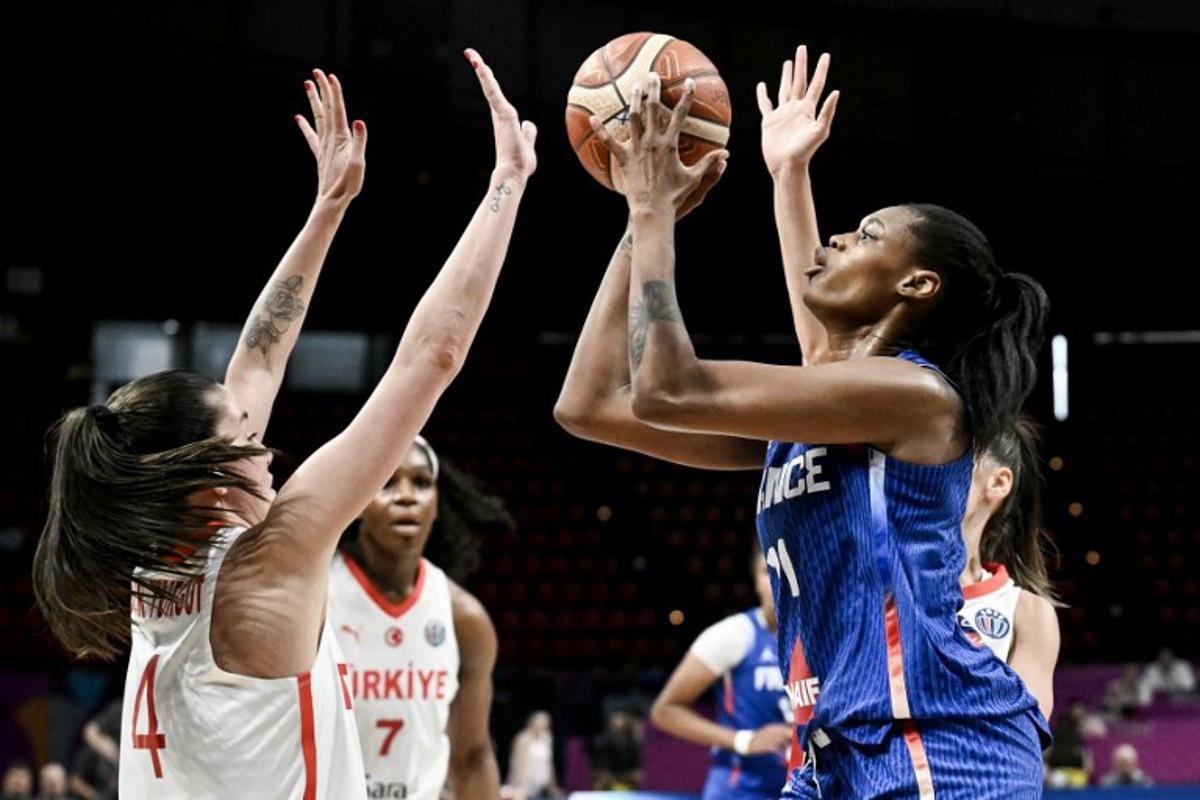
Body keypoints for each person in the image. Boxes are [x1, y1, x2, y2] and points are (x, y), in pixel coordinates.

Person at [33, 49, 535, 799]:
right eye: (242, 437)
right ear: (201, 479)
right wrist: (507, 183)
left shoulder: (152, 568)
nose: (264, 444)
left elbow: (259, 364)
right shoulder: (272, 558)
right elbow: (432, 355)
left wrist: (329, 207)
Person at [557, 44, 1049, 798]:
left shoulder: (916, 399)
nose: (841, 240)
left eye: (869, 233)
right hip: (834, 758)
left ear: (917, 284)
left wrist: (656, 209)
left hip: (938, 747)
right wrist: (675, 210)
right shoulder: (833, 413)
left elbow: (668, 390)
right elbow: (587, 406)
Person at [331, 438, 515, 799]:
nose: (406, 496)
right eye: (386, 482)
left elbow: (473, 757)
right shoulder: (316, 596)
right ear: (358, 500)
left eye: (421, 483)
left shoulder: (464, 618)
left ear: (436, 504)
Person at [650, 554, 791, 799]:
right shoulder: (734, 634)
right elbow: (664, 711)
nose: (775, 581)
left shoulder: (826, 638)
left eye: (784, 570)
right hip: (741, 786)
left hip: (807, 785)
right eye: (766, 572)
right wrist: (744, 740)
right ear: (755, 582)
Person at [957, 420, 1061, 717]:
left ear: (998, 482)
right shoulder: (883, 591)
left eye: (952, 460)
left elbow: (1019, 739)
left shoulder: (1028, 614)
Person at [507, 711, 562, 800]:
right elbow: (520, 765)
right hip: (527, 785)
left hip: (542, 784)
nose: (541, 728)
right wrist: (519, 787)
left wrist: (553, 785)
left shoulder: (546, 737)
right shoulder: (523, 739)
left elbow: (549, 763)